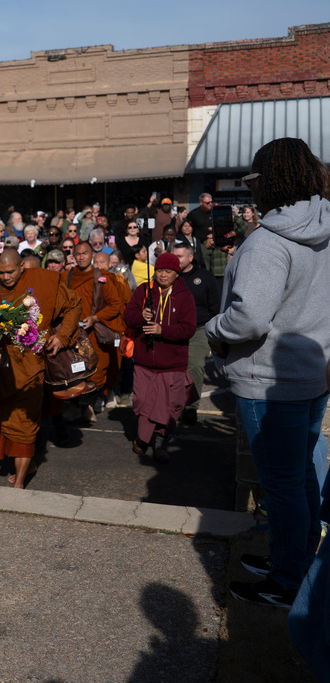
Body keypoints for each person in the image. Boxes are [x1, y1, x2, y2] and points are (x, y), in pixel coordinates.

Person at [206, 137, 330, 608]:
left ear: (269, 183)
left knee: (282, 486)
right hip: (312, 373)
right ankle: (296, 561)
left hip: (269, 381)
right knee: (300, 478)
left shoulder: (268, 242)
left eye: (253, 182)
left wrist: (214, 325)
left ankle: (286, 581)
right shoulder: (325, 226)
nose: (250, 192)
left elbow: (250, 318)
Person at [0, 248, 80, 488]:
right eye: (1, 273)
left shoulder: (43, 282)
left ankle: (19, 482)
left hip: (33, 366)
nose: (6, 277)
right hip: (4, 366)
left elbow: (74, 304)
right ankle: (28, 465)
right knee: (5, 418)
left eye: (10, 272)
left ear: (22, 268)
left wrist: (63, 337)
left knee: (25, 423)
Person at [122, 252, 196, 464]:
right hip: (145, 361)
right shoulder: (145, 291)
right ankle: (144, 439)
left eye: (168, 271)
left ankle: (161, 442)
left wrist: (162, 330)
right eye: (160, 270)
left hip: (172, 364)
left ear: (176, 274)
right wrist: (140, 317)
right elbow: (128, 316)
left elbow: (189, 328)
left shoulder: (184, 296)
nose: (163, 275)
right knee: (143, 402)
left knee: (169, 406)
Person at [67, 242, 126, 420]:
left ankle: (88, 405)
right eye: (78, 254)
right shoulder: (67, 276)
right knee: (74, 370)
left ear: (91, 255)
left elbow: (115, 304)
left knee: (96, 369)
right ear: (73, 256)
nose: (82, 257)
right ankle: (77, 405)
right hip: (72, 331)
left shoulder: (103, 277)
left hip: (93, 333)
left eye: (85, 253)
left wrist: (95, 318)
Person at [171, 242, 220, 426]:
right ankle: (171, 406)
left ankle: (191, 408)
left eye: (180, 256)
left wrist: (213, 332)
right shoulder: (168, 277)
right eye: (173, 256)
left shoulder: (205, 277)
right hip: (172, 329)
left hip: (198, 329)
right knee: (172, 370)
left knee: (195, 367)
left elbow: (215, 306)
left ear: (190, 257)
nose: (176, 260)